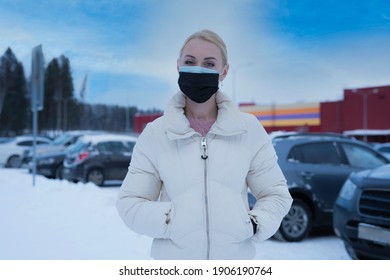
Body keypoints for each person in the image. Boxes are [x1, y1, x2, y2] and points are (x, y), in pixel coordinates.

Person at [116, 29, 293, 260]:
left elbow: (276, 195)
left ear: (224, 71)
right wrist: (173, 219)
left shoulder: (248, 130)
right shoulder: (156, 134)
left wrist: (252, 224)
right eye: (190, 62)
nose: (199, 69)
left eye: (209, 64)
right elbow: (130, 204)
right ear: (178, 66)